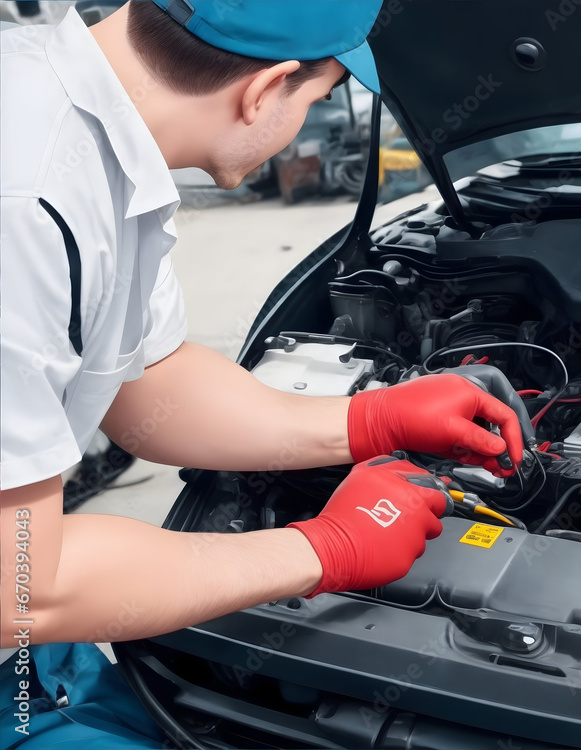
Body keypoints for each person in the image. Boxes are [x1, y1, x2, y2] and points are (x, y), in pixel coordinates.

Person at [0, 2, 524, 747]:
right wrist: (324, 549)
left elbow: (147, 380)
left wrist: (373, 419)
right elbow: (21, 586)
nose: (314, 110)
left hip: (30, 657)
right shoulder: (25, 208)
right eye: (319, 96)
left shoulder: (81, 124)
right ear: (265, 89)